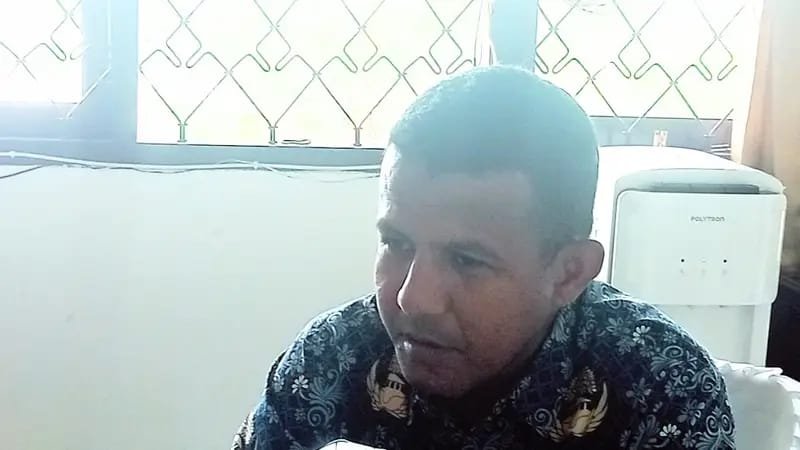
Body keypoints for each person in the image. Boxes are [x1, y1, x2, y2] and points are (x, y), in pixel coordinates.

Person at [231, 65, 735, 449]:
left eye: (467, 261)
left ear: (568, 273)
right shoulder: (332, 360)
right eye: (397, 244)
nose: (413, 298)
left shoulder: (657, 382)